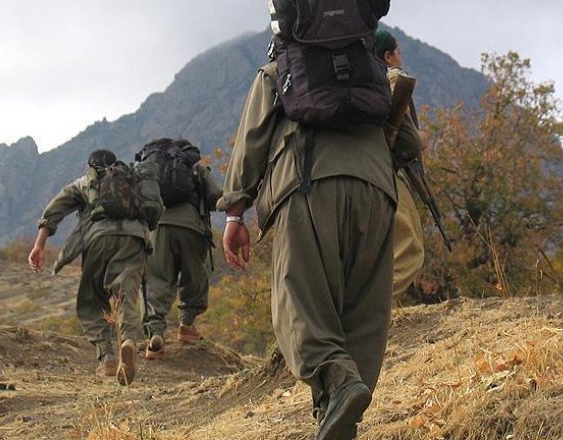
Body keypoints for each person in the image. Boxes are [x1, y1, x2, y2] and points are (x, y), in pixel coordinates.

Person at [218, 48, 396, 440]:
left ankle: (338, 381)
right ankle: (339, 419)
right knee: (364, 312)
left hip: (307, 184)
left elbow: (252, 141)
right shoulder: (373, 69)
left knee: (298, 300)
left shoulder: (277, 72)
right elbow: (408, 142)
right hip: (378, 192)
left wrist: (235, 212)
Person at [28, 149, 154, 385]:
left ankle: (106, 357)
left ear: (90, 166)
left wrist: (39, 245)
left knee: (92, 299)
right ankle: (128, 340)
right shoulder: (132, 181)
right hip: (134, 239)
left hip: (98, 239)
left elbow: (54, 210)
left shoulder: (85, 182)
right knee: (126, 293)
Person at [143, 139, 223, 359]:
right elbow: (215, 195)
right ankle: (186, 326)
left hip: (157, 228)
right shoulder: (191, 163)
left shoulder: (155, 167)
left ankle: (155, 335)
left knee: (158, 279)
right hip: (191, 226)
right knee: (193, 275)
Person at [374, 29, 426, 297]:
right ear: (388, 56)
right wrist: (419, 138)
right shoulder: (393, 79)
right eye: (398, 52)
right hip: (387, 172)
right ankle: (369, 314)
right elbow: (406, 141)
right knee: (409, 252)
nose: (400, 57)